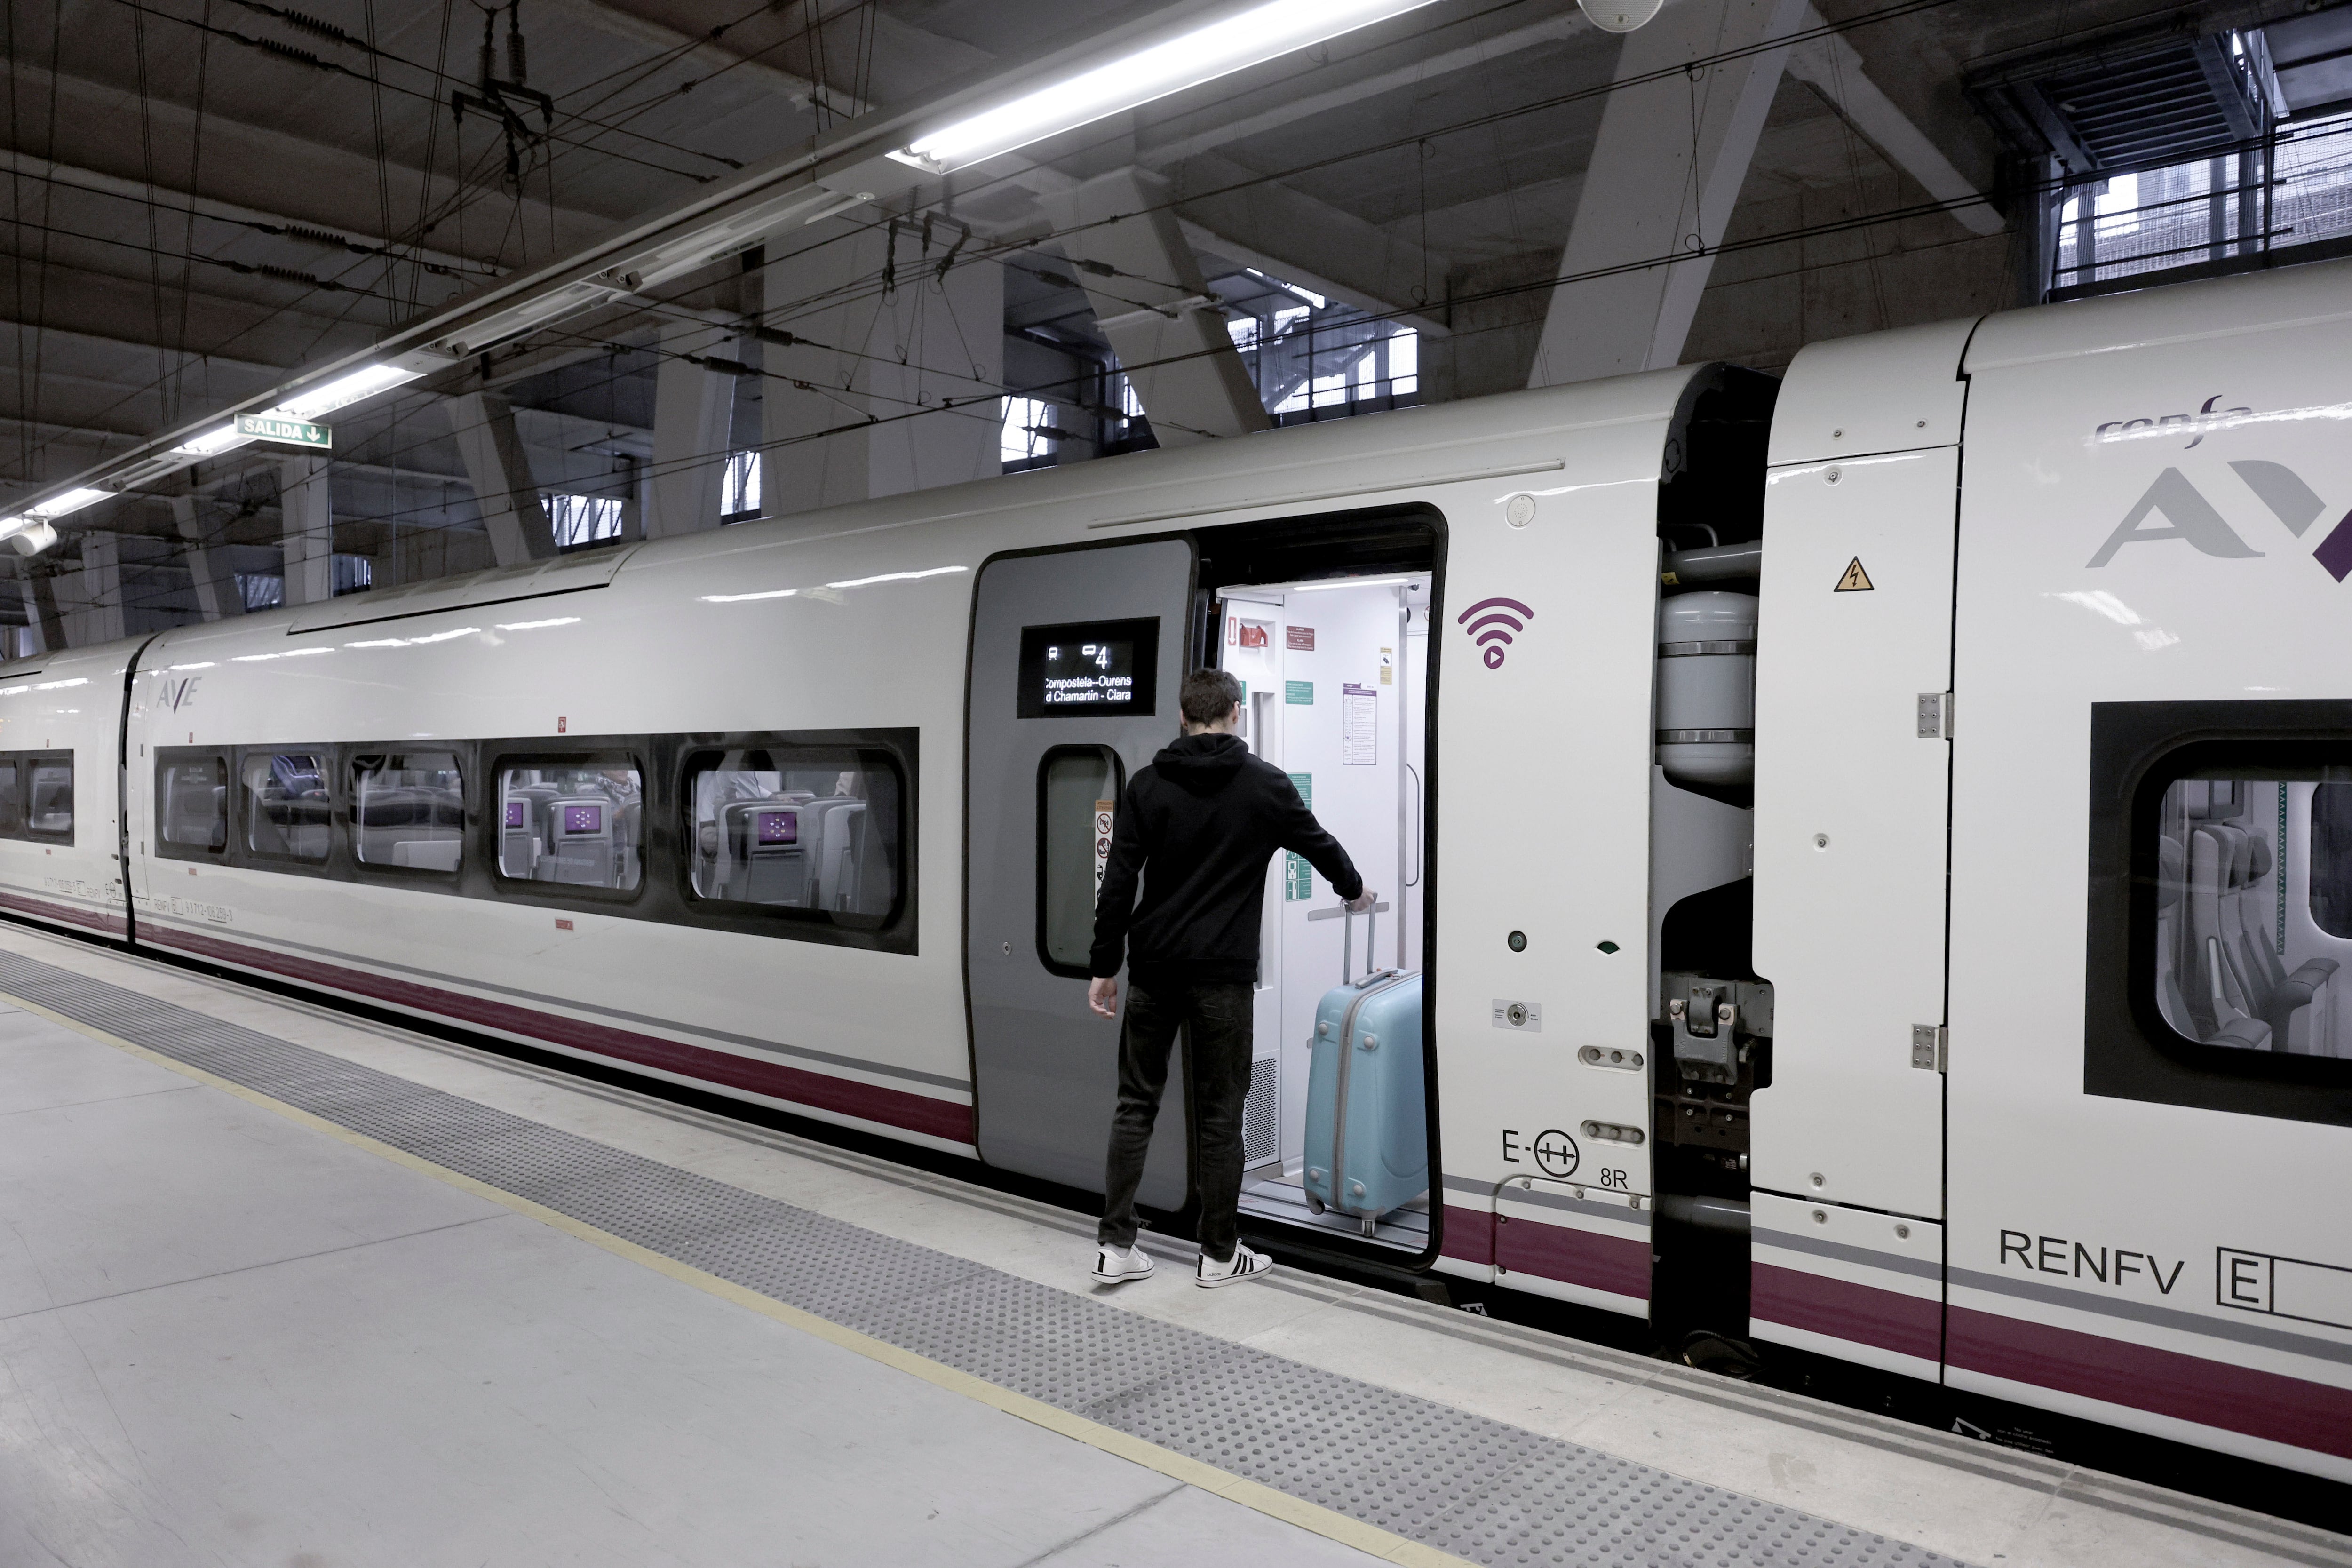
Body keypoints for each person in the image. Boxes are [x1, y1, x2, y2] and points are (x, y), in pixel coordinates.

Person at [1086, 668, 1375, 1289]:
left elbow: (1118, 886)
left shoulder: (1147, 786)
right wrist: (1354, 891)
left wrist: (1104, 965)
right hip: (1223, 977)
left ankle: (1115, 1244)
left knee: (1136, 1104)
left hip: (1154, 969)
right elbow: (1319, 844)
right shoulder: (1265, 785)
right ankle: (1218, 1253)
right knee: (1221, 1114)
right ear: (1236, 712)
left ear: (1183, 715)